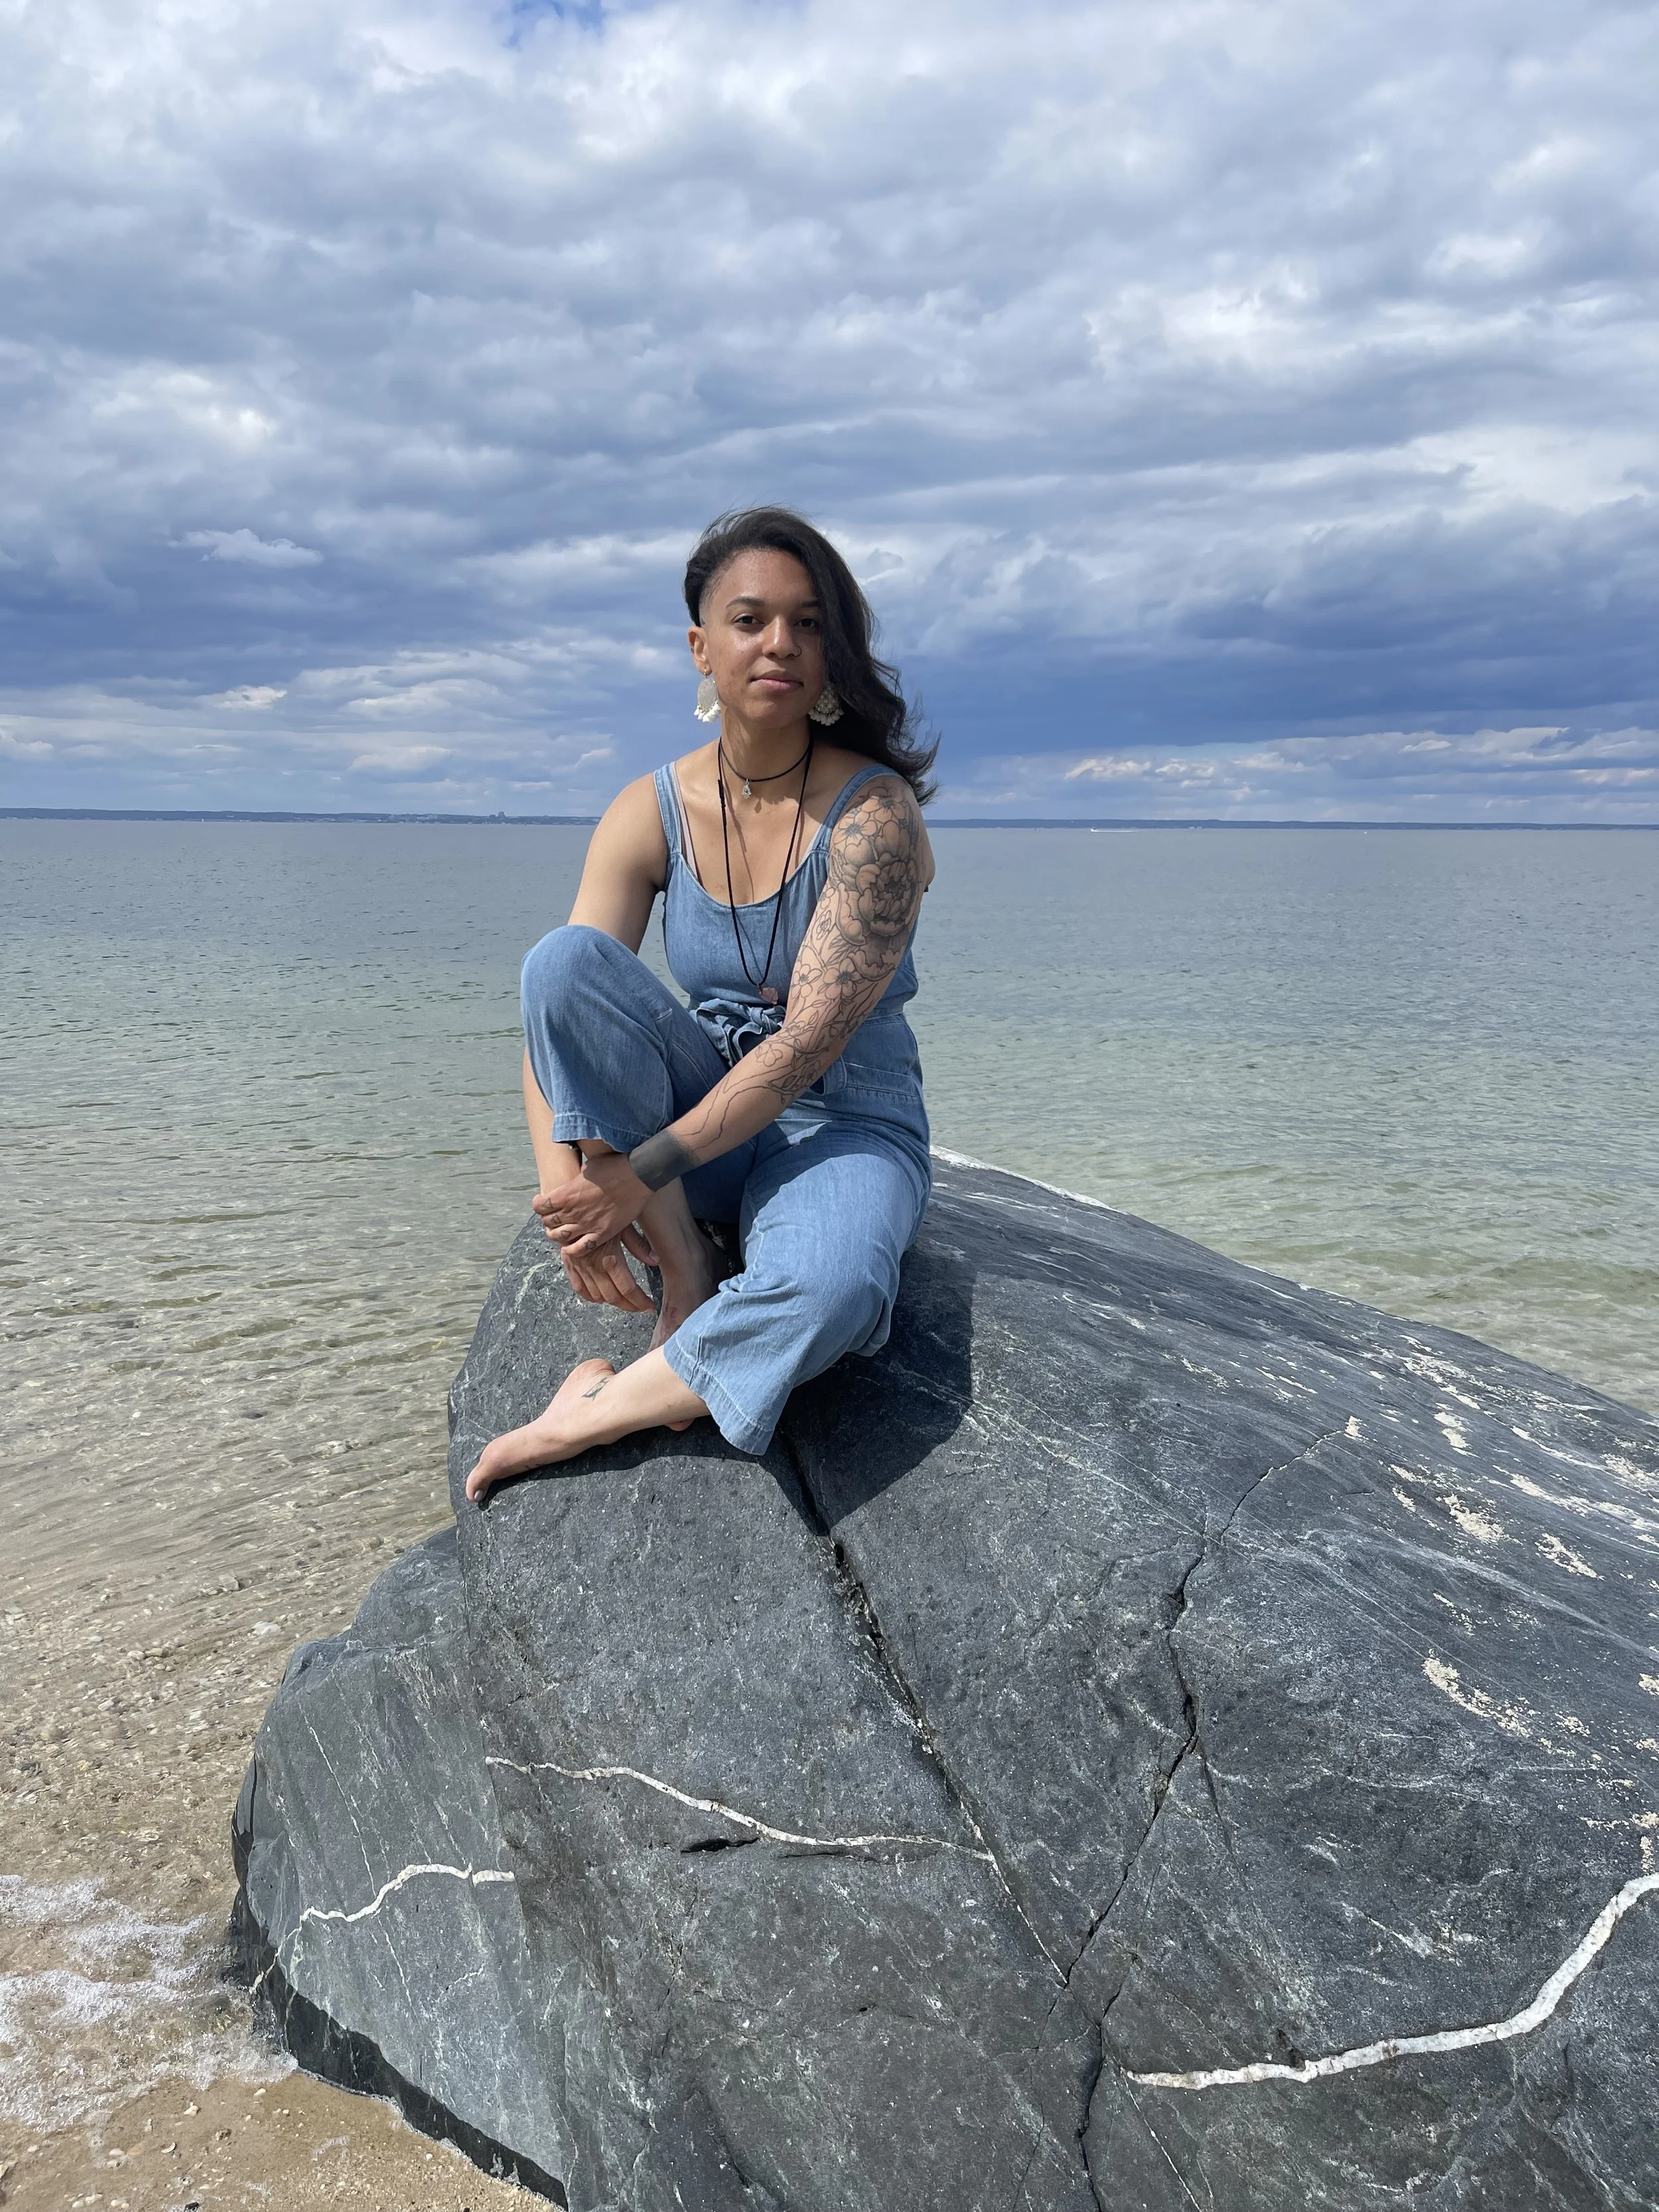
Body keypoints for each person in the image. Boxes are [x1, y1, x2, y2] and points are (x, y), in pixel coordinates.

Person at [465, 507, 938, 1501]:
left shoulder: (874, 816)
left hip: (840, 1120)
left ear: (835, 651)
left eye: (811, 625)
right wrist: (573, 1205)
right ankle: (687, 1270)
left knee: (836, 1288)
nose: (782, 645)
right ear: (700, 646)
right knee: (563, 959)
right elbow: (557, 1014)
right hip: (707, 1112)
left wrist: (633, 1174)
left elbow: (807, 1045)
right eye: (752, 619)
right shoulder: (650, 808)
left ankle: (586, 1418)